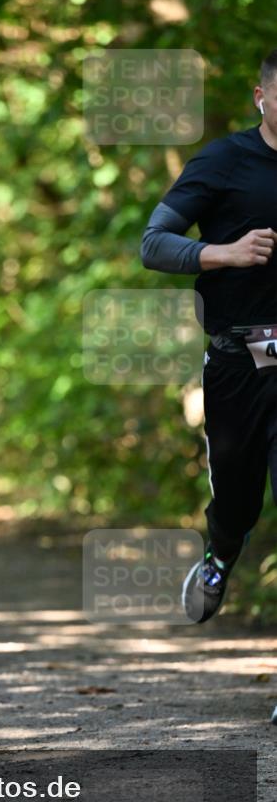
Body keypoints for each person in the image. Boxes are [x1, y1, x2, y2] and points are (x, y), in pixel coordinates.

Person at [141, 50, 277, 624]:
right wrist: (224, 253)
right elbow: (153, 242)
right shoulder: (226, 160)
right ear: (261, 96)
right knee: (238, 501)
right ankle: (222, 553)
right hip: (237, 364)